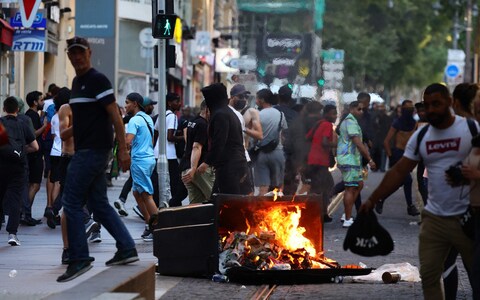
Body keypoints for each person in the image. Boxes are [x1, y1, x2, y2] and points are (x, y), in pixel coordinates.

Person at [360, 83, 475, 300]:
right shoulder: (422, 137)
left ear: (450, 103)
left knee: (475, 273)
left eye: (437, 104)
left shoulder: (470, 129)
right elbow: (399, 171)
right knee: (430, 276)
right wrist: (374, 198)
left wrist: (472, 174)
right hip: (435, 218)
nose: (430, 109)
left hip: (468, 215)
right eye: (427, 105)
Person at [58, 36, 138, 282]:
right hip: (87, 149)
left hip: (93, 151)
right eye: (73, 53)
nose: (77, 57)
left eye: (81, 52)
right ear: (69, 56)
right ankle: (126, 248)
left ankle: (79, 258)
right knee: (100, 204)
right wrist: (69, 132)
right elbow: (85, 119)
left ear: (89, 53)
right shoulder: (77, 82)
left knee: (70, 202)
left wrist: (123, 149)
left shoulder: (97, 80)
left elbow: (114, 114)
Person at [197, 83, 252, 195]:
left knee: (229, 201)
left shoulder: (220, 114)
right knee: (219, 198)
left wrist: (207, 162)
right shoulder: (227, 112)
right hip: (235, 164)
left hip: (229, 167)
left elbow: (219, 141)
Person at [0, 97, 39, 245]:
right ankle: (12, 234)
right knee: (15, 198)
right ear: (18, 109)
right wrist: (21, 152)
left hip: (1, 165)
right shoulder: (23, 124)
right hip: (18, 167)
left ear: (4, 109)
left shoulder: (0, 123)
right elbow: (35, 147)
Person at [376, 99, 420, 216]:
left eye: (412, 108)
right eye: (407, 108)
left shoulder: (415, 124)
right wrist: (391, 157)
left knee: (400, 182)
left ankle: (381, 199)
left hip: (408, 156)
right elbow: (386, 142)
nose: (410, 110)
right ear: (403, 109)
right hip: (398, 155)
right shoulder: (397, 123)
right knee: (408, 180)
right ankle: (410, 206)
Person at [337, 101, 376, 228]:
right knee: (350, 188)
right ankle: (348, 219)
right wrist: (369, 159)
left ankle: (345, 214)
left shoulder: (352, 121)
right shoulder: (350, 122)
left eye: (362, 109)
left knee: (359, 184)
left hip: (353, 159)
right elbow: (358, 143)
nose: (361, 112)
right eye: (359, 109)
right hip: (349, 159)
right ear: (352, 109)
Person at [124, 92, 157, 242]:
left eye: (127, 102)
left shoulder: (134, 120)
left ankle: (158, 228)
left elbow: (128, 140)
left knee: (146, 195)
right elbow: (152, 138)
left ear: (135, 104)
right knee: (137, 193)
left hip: (140, 160)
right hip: (148, 158)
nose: (125, 106)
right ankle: (148, 223)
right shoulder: (147, 118)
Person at [305, 104, 338, 222]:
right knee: (326, 187)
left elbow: (308, 137)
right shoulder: (327, 125)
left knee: (320, 187)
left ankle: (322, 213)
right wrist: (338, 144)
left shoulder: (318, 123)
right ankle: (314, 213)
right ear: (327, 114)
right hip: (320, 161)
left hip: (313, 160)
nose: (335, 116)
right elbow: (324, 142)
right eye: (333, 113)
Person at [253, 89, 288, 196]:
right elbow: (283, 134)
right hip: (278, 153)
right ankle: (278, 210)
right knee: (279, 188)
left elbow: (255, 136)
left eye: (257, 98)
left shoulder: (257, 115)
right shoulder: (280, 114)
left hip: (262, 153)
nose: (256, 100)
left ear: (262, 100)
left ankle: (260, 211)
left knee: (263, 188)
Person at [155, 93, 188, 207]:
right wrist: (184, 137)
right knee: (176, 184)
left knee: (160, 183)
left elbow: (156, 135)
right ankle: (175, 207)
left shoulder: (161, 115)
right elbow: (170, 137)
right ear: (169, 103)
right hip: (169, 155)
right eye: (177, 101)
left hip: (157, 154)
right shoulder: (173, 117)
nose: (179, 104)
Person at [180, 101, 215, 203]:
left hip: (186, 167)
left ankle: (192, 219)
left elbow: (187, 140)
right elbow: (196, 147)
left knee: (196, 204)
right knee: (215, 199)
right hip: (198, 169)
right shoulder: (203, 124)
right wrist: (193, 168)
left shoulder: (192, 121)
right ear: (207, 110)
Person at [24, 91, 47, 225]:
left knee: (32, 184)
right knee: (35, 184)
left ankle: (25, 212)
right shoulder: (31, 116)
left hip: (34, 154)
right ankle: (26, 213)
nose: (43, 102)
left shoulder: (32, 115)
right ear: (35, 102)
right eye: (41, 100)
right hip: (34, 155)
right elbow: (32, 134)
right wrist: (44, 126)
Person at [370, 103, 391, 172]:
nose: (381, 109)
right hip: (376, 139)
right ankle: (376, 167)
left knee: (383, 153)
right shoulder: (375, 117)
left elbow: (388, 129)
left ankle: (382, 167)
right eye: (380, 108)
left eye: (382, 108)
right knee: (375, 153)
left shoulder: (388, 118)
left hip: (384, 138)